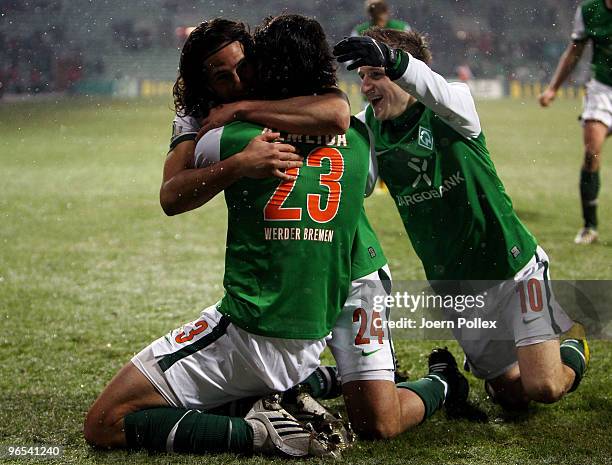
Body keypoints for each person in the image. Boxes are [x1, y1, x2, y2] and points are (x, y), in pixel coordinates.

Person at [83, 14, 390, 458]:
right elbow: (340, 117)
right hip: (326, 299)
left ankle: (265, 429)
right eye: (222, 77)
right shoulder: (355, 132)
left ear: (262, 60)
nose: (237, 80)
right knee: (379, 420)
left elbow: (173, 195)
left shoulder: (225, 135)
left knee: (104, 422)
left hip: (269, 315)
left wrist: (236, 137)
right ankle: (296, 386)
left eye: (243, 67)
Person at [334, 28, 590, 411]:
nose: (366, 85)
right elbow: (355, 182)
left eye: (376, 74)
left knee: (546, 388)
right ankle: (470, 370)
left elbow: (431, 88)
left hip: (512, 267)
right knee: (510, 397)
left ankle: (573, 344)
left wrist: (397, 61)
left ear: (405, 71)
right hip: (457, 286)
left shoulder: (454, 106)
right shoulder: (368, 129)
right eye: (362, 77)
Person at [539, 0, 612, 245]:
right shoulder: (589, 10)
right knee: (592, 152)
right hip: (602, 89)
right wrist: (552, 89)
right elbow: (574, 52)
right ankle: (589, 226)